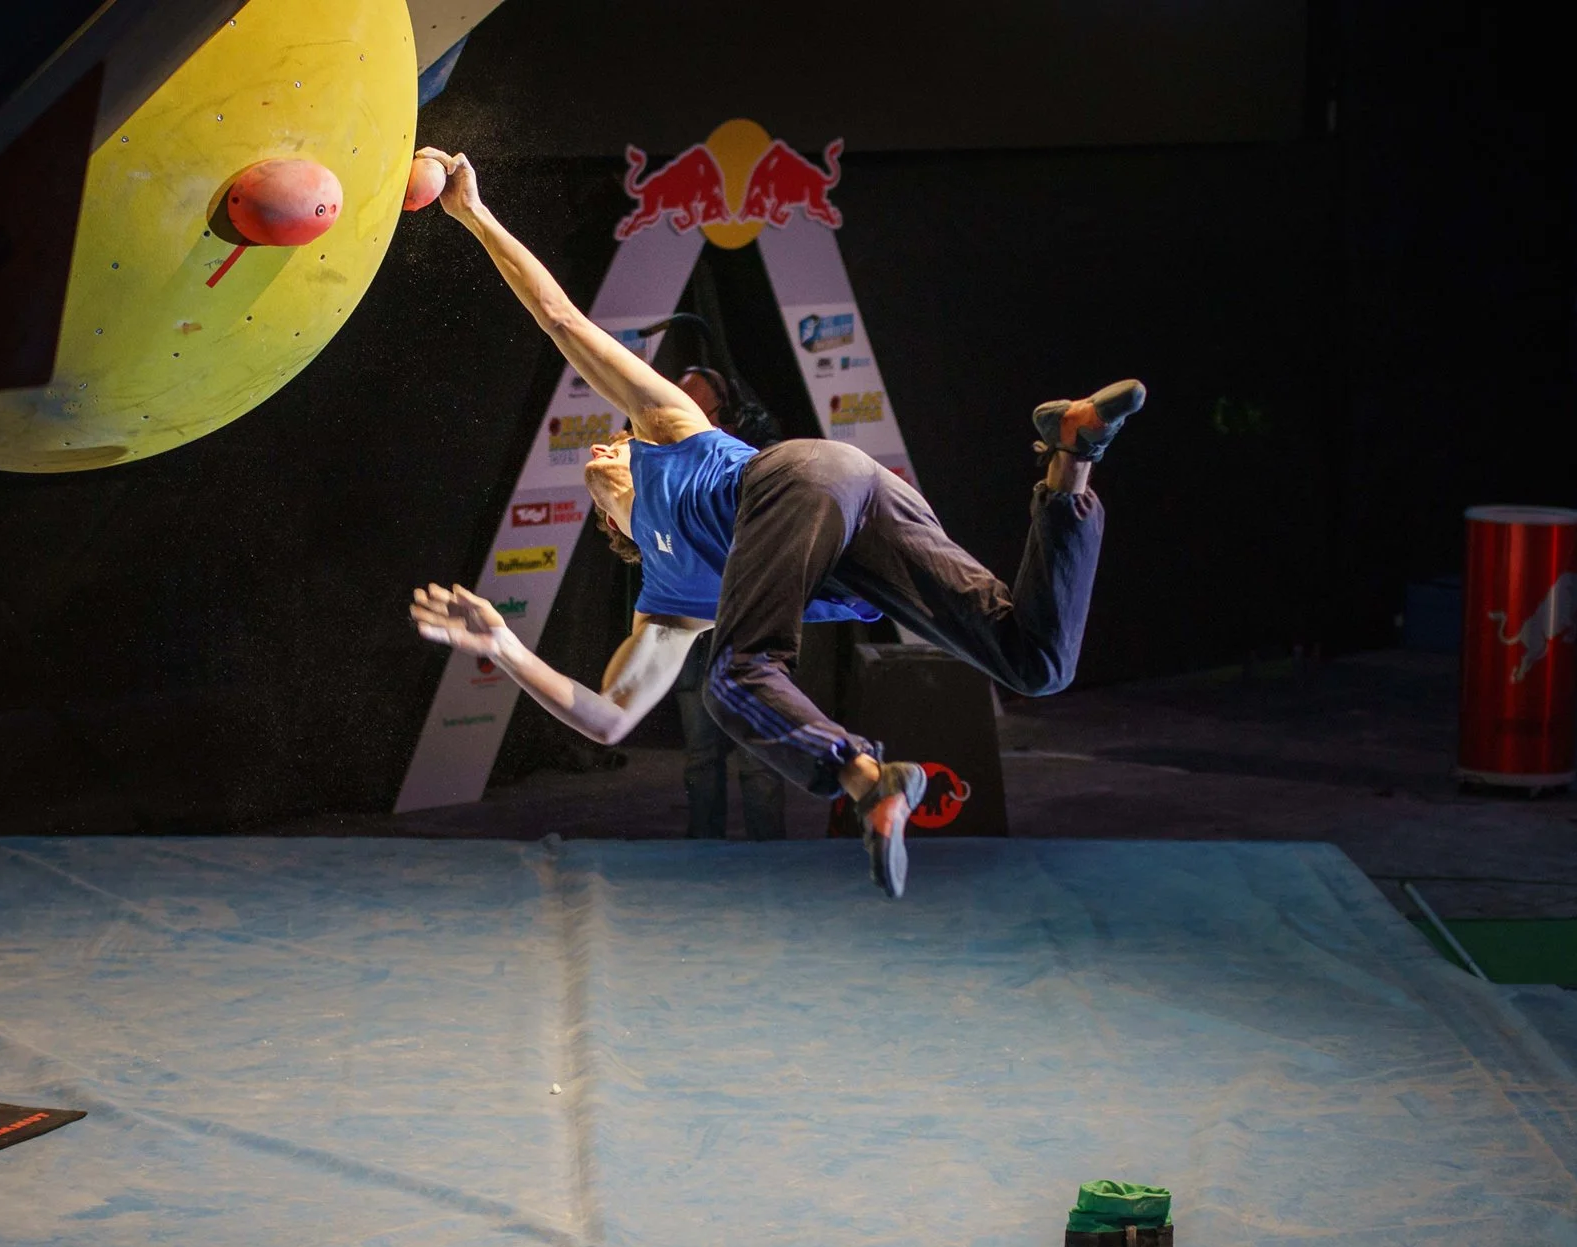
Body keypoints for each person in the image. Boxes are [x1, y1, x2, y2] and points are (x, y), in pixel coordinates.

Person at [406, 148, 1144, 897]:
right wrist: (503, 645)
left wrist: (473, 214)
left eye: (613, 437)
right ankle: (1072, 455)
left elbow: (558, 318)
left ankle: (866, 777)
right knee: (1036, 664)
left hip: (807, 479)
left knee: (735, 674)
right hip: (866, 537)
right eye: (600, 452)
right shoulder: (668, 607)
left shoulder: (668, 428)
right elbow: (606, 720)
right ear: (612, 525)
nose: (603, 443)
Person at [668, 366, 787, 841]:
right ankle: (704, 859)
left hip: (748, 626)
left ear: (728, 415)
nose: (687, 416)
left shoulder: (753, 461)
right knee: (700, 756)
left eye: (698, 407)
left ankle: (768, 864)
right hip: (692, 631)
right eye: (681, 405)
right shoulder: (668, 459)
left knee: (759, 757)